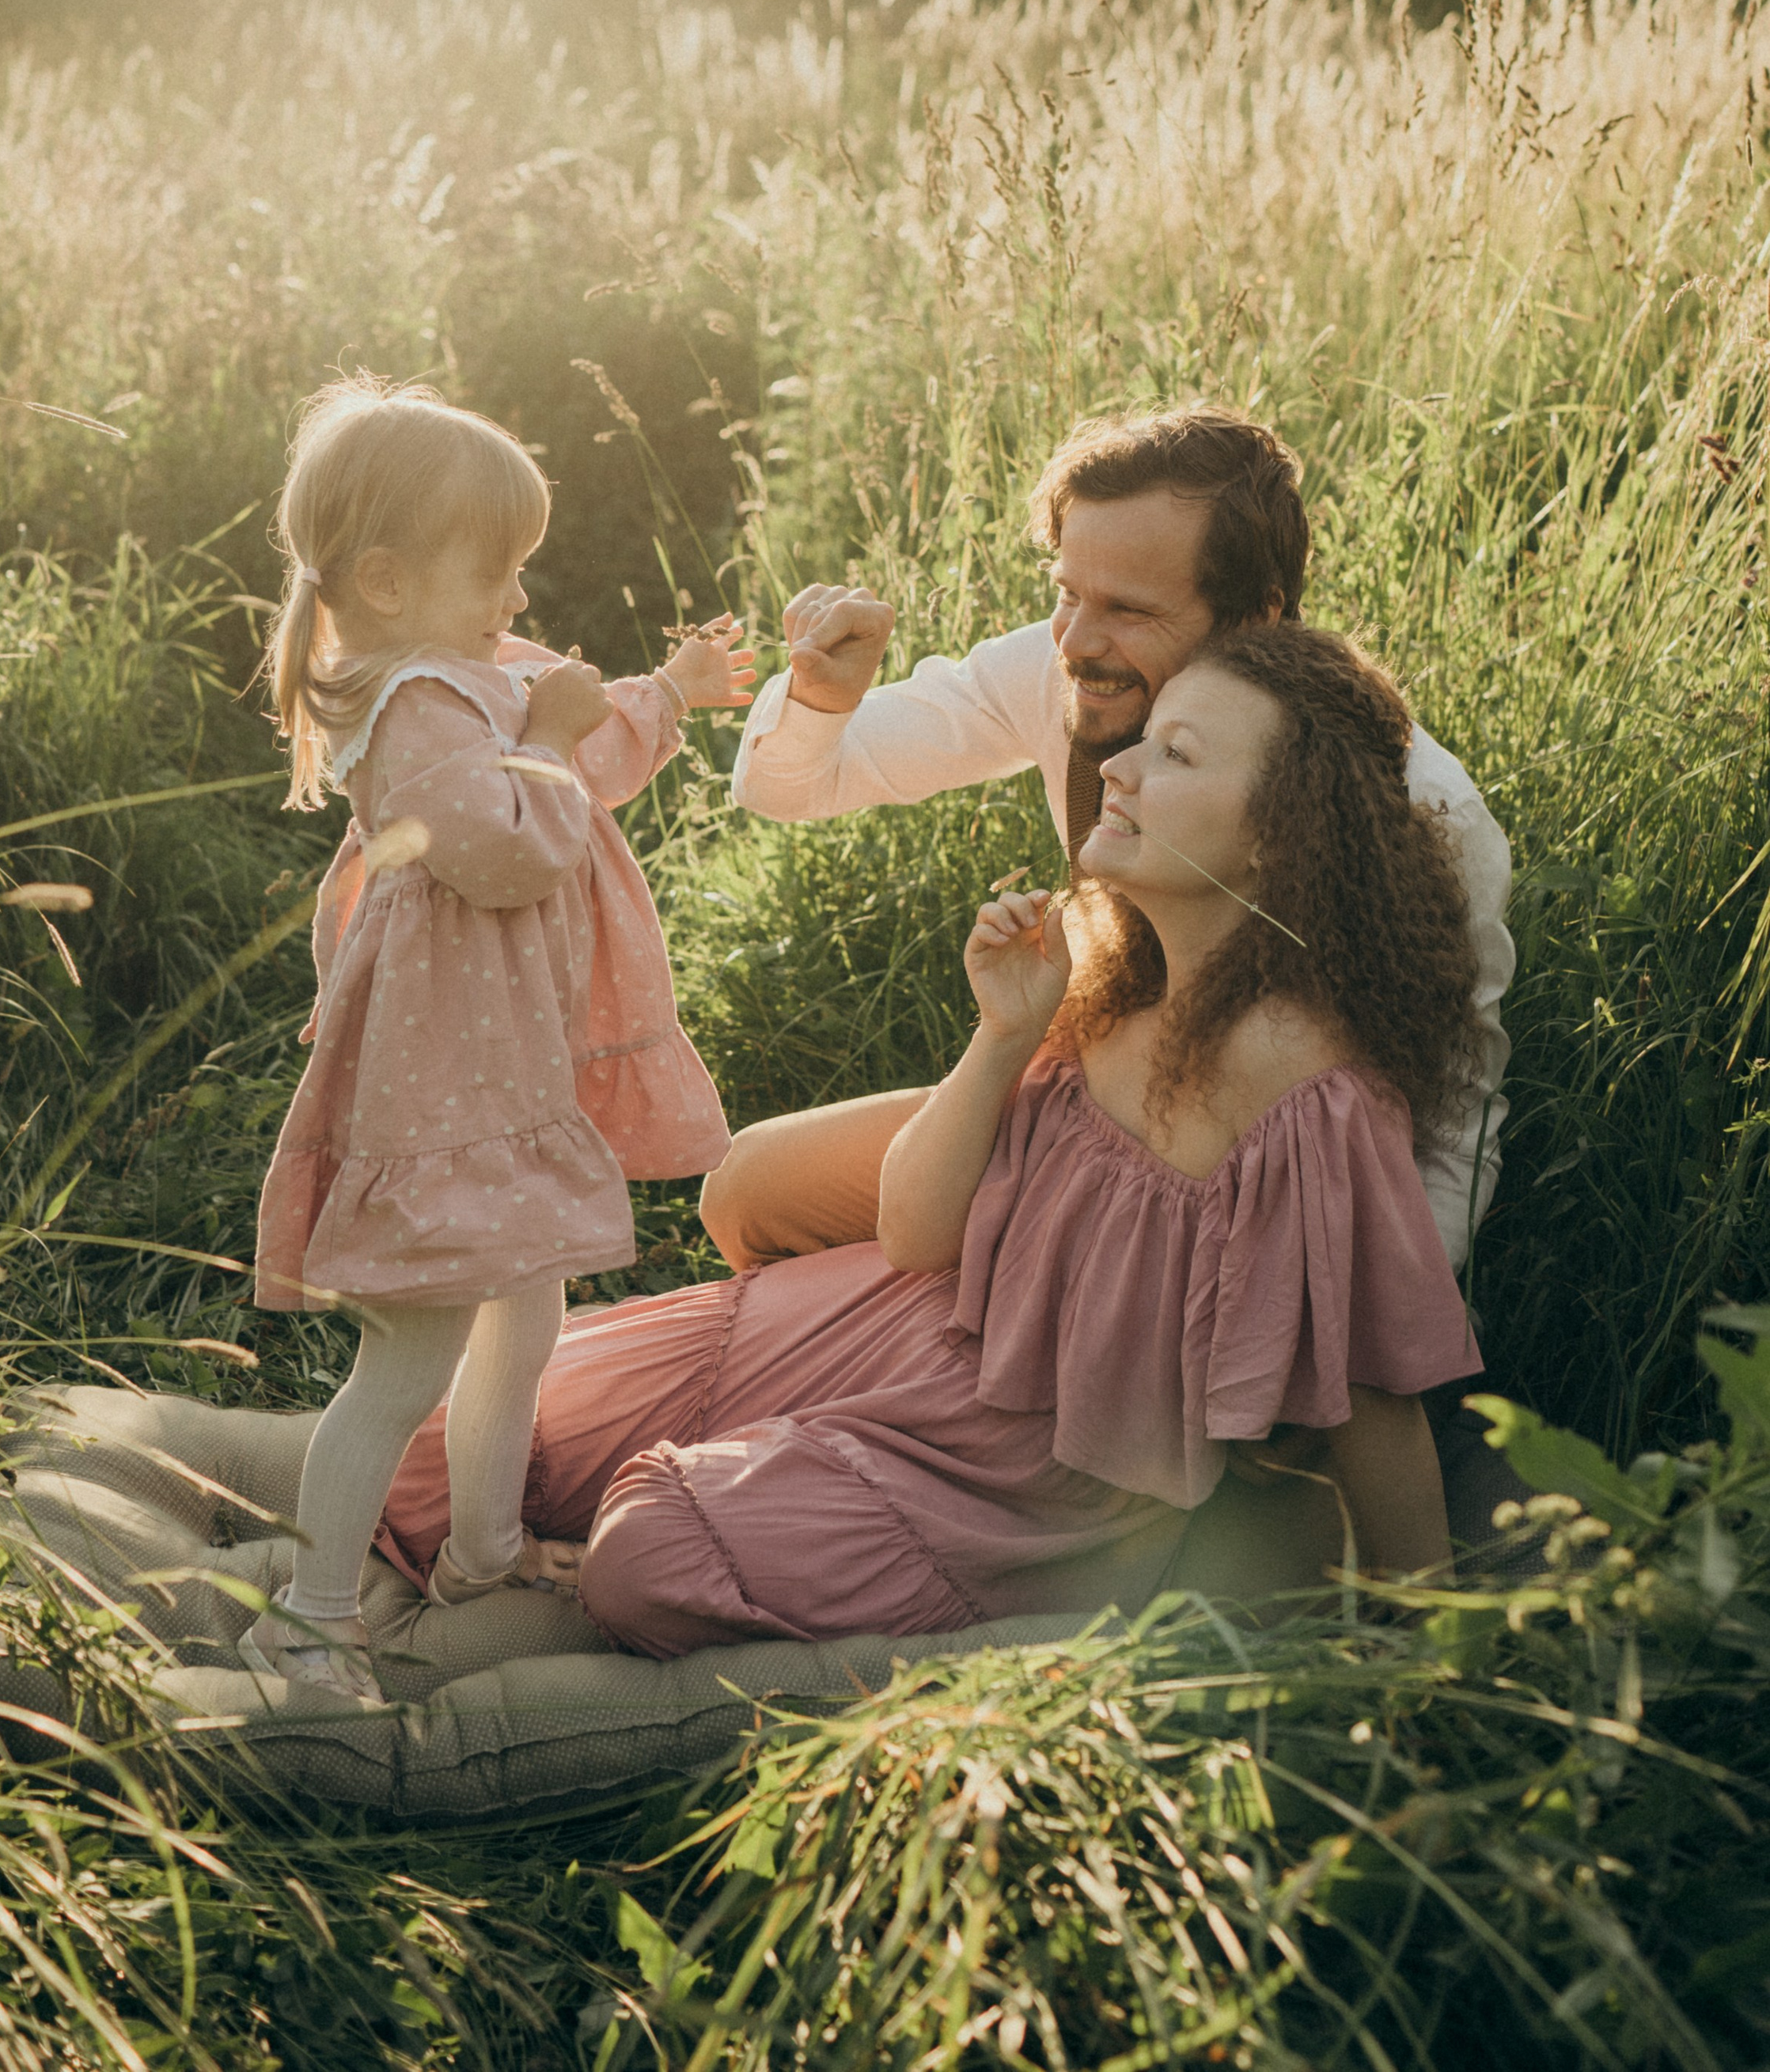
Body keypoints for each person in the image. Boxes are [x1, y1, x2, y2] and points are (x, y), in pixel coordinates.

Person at [375, 625, 1480, 1652]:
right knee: (436, 1460)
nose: (1124, 769)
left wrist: (1434, 1656)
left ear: (1279, 835)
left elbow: (1377, 1396)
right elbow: (914, 1232)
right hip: (892, 1320)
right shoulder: (1106, 964)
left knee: (647, 1555)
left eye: (1178, 757)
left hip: (1003, 1474)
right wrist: (1006, 1036)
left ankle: (622, 1578)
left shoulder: (1299, 1074)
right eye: (1143, 742)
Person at [705, 407, 1514, 1281]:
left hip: (1241, 1199)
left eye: (1127, 609)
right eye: (1065, 592)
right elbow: (789, 785)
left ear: (1255, 617)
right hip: (1078, 1111)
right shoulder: (1058, 668)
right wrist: (823, 695)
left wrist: (1392, 1329)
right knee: (745, 1191)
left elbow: (1451, 1111)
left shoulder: (1412, 805)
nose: (1077, 643)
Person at [241, 378, 751, 1699]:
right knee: (407, 1354)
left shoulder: (467, 670)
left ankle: (482, 1548)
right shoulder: (412, 705)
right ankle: (307, 1616)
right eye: (500, 574)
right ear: (389, 581)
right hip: (444, 1087)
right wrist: (558, 737)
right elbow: (516, 844)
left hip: (505, 1068)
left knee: (525, 1318)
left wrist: (671, 689)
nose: (520, 603)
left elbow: (572, 728)